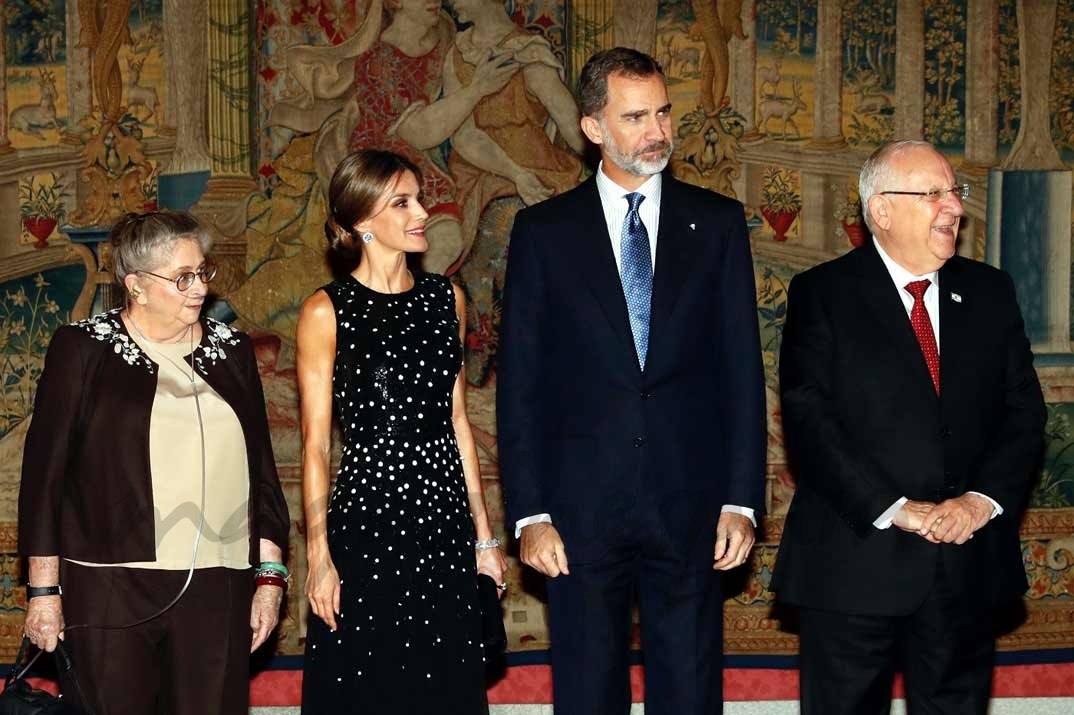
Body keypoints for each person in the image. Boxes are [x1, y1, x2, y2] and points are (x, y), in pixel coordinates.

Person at [497, 48, 767, 715]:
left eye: (664, 112)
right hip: (579, 514)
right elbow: (522, 385)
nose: (659, 131)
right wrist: (531, 514)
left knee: (691, 690)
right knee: (588, 693)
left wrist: (742, 498)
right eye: (637, 116)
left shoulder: (719, 223)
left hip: (693, 506)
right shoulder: (542, 232)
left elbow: (742, 371)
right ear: (594, 128)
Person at [774, 139, 1046, 714]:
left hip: (966, 565)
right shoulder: (822, 294)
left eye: (955, 192)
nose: (953, 207)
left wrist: (982, 501)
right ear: (882, 210)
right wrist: (894, 506)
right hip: (853, 564)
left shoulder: (992, 292)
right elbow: (808, 417)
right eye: (933, 194)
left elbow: (1024, 413)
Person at [19, 211, 291, 715]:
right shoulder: (82, 349)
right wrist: (44, 592)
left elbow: (263, 474)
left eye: (201, 273)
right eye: (181, 277)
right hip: (109, 583)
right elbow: (43, 480)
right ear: (136, 285)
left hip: (219, 580)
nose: (198, 289)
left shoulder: (232, 350)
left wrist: (269, 579)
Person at [298, 149, 507, 713]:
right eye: (403, 202)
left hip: (442, 523)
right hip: (365, 526)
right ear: (363, 222)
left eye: (418, 197)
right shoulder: (326, 311)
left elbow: (459, 422)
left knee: (442, 690)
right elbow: (316, 445)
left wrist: (485, 541)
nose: (422, 212)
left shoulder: (447, 300)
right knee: (364, 686)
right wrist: (319, 556)